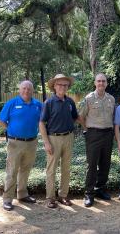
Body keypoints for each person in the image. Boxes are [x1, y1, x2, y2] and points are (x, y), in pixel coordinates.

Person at [0, 80, 42, 211]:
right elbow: (0, 120)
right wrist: (10, 130)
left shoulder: (38, 105)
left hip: (32, 142)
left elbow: (43, 121)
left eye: (29, 89)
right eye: (24, 88)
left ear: (32, 91)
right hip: (15, 143)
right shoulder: (12, 103)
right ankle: (7, 199)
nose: (26, 91)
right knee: (12, 171)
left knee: (25, 170)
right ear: (19, 90)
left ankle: (22, 194)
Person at [39, 74, 83, 208]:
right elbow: (41, 122)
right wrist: (46, 142)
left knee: (66, 168)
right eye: (60, 84)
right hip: (53, 138)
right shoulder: (49, 103)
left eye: (65, 85)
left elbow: (76, 118)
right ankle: (50, 198)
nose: (63, 87)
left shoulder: (70, 102)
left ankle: (63, 195)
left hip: (69, 137)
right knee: (51, 169)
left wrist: (89, 122)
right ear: (54, 86)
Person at [79, 73, 115, 207]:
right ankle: (89, 193)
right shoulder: (88, 98)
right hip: (93, 134)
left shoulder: (111, 99)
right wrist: (86, 130)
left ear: (106, 83)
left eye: (103, 81)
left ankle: (100, 189)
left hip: (108, 134)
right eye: (99, 81)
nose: (101, 83)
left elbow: (113, 117)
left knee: (105, 164)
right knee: (92, 165)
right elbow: (80, 116)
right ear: (95, 83)